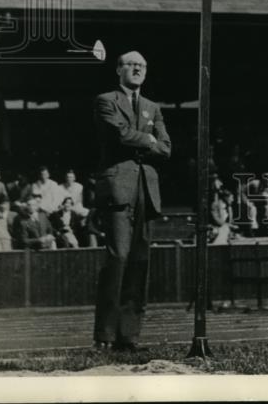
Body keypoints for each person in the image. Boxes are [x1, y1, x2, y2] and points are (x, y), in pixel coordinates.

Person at [92, 51, 171, 350]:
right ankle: (105, 335)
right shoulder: (106, 100)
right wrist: (148, 140)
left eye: (142, 65)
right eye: (131, 64)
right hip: (118, 188)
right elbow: (118, 135)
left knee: (139, 262)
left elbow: (166, 148)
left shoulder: (153, 107)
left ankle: (129, 336)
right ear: (118, 69)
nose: (137, 68)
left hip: (146, 191)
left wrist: (147, 141)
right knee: (118, 258)